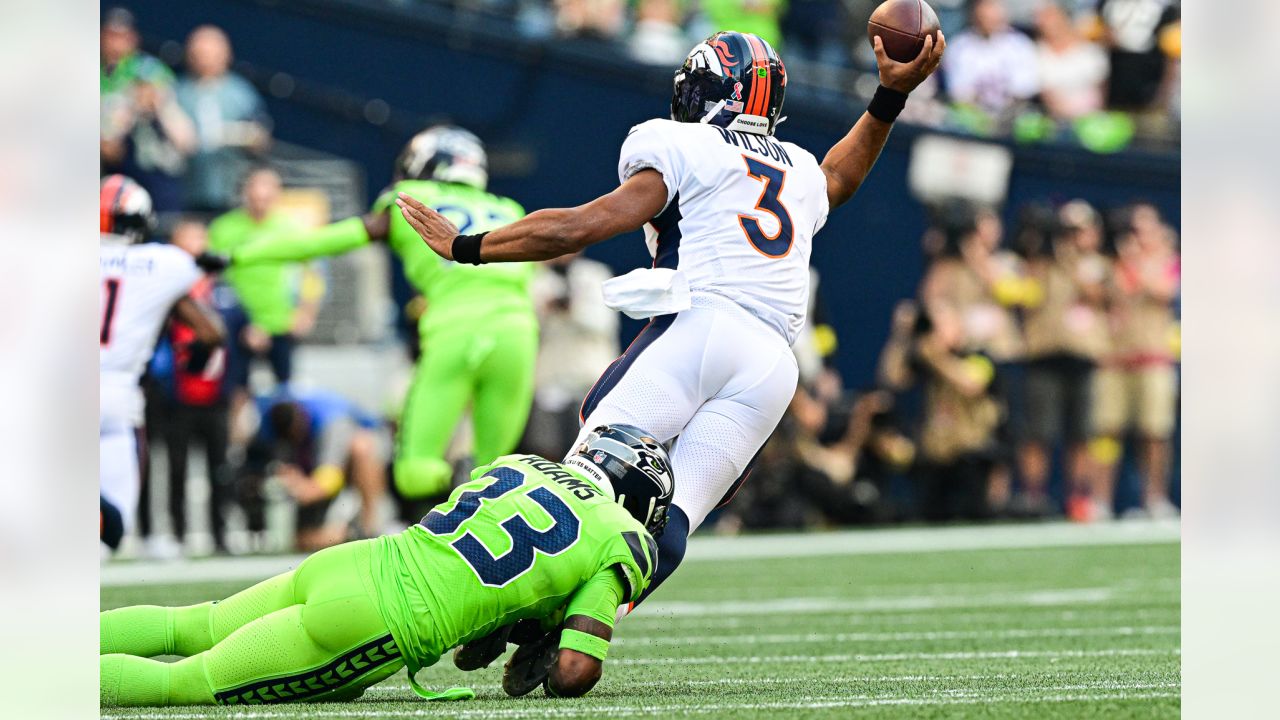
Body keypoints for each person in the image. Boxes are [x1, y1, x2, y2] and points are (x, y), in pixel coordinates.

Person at [396, 30, 944, 610]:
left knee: (580, 487)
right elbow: (840, 178)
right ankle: (584, 624)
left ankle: (507, 609)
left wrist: (468, 246)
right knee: (675, 515)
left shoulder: (682, 145)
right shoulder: (801, 169)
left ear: (707, 93)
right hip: (773, 367)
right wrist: (888, 98)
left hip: (701, 329)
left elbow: (582, 225)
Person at [100, 425, 673, 707]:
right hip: (380, 620)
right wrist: (552, 634)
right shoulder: (621, 538)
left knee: (193, 624)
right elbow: (574, 671)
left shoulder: (520, 463)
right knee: (186, 685)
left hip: (356, 559)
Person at [225, 127, 534, 514]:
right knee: (493, 475)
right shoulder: (508, 209)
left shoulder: (412, 201)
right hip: (519, 332)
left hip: (456, 327)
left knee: (414, 472)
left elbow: (319, 242)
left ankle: (454, 483)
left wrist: (238, 256)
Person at [100, 176, 224, 551]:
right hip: (118, 396)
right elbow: (211, 333)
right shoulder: (163, 264)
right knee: (111, 533)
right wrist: (197, 362)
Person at [138, 220, 236, 557]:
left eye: (200, 238)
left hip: (215, 395)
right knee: (172, 468)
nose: (196, 246)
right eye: (189, 238)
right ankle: (170, 534)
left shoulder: (221, 292)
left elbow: (233, 338)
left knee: (219, 468)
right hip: (175, 396)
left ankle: (221, 534)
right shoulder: (164, 292)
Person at [1091, 203, 1179, 519]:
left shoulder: (1170, 261)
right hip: (1115, 359)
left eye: (1146, 226)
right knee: (1106, 430)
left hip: (1154, 358)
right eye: (1135, 227)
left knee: (1155, 432)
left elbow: (1165, 292)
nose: (1140, 234)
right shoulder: (1111, 264)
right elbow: (1098, 298)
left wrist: (1135, 265)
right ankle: (1100, 499)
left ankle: (1155, 498)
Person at [208, 167, 319, 401]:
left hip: (280, 320)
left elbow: (312, 273)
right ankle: (236, 436)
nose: (260, 204)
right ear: (245, 195)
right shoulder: (223, 229)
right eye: (255, 198)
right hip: (238, 323)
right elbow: (213, 279)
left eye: (266, 199)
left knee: (286, 390)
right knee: (235, 391)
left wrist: (306, 312)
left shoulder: (290, 229)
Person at [239, 390, 390, 552]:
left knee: (362, 447)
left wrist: (302, 487)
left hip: (342, 468)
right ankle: (339, 535)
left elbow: (329, 482)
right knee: (301, 541)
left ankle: (367, 529)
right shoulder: (266, 413)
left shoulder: (332, 422)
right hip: (309, 472)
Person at [524, 253, 620, 460]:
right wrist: (546, 307)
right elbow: (528, 328)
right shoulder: (535, 277)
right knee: (544, 449)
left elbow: (603, 323)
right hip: (549, 378)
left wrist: (572, 307)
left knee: (592, 449)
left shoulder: (594, 274)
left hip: (591, 377)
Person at [176, 25, 273, 213]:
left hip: (232, 189)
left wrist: (243, 136)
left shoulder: (241, 93)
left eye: (212, 54)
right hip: (186, 189)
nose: (206, 60)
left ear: (226, 55)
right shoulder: (178, 92)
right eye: (200, 54)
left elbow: (261, 136)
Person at [942, 0, 1038, 117]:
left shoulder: (1020, 44)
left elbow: (1023, 91)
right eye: (984, 13)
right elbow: (960, 95)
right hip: (973, 116)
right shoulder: (959, 46)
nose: (988, 18)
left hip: (1012, 115)